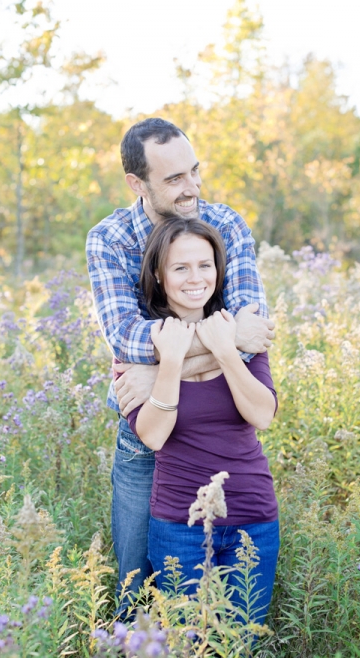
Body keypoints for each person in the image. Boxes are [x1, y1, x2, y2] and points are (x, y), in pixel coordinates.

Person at [86, 118, 275, 611]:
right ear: (137, 183)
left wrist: (160, 367)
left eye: (194, 171)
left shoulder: (225, 224)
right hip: (146, 433)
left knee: (234, 596)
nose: (191, 187)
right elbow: (127, 337)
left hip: (218, 430)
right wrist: (214, 342)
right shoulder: (109, 239)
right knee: (135, 582)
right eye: (174, 179)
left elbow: (253, 334)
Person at [127, 217, 279, 626]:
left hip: (254, 518)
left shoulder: (240, 331)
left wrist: (225, 349)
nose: (196, 277)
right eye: (180, 268)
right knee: (186, 644)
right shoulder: (138, 348)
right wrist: (172, 359)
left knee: (239, 644)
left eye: (205, 265)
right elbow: (154, 436)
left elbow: (262, 414)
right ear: (159, 277)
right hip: (180, 525)